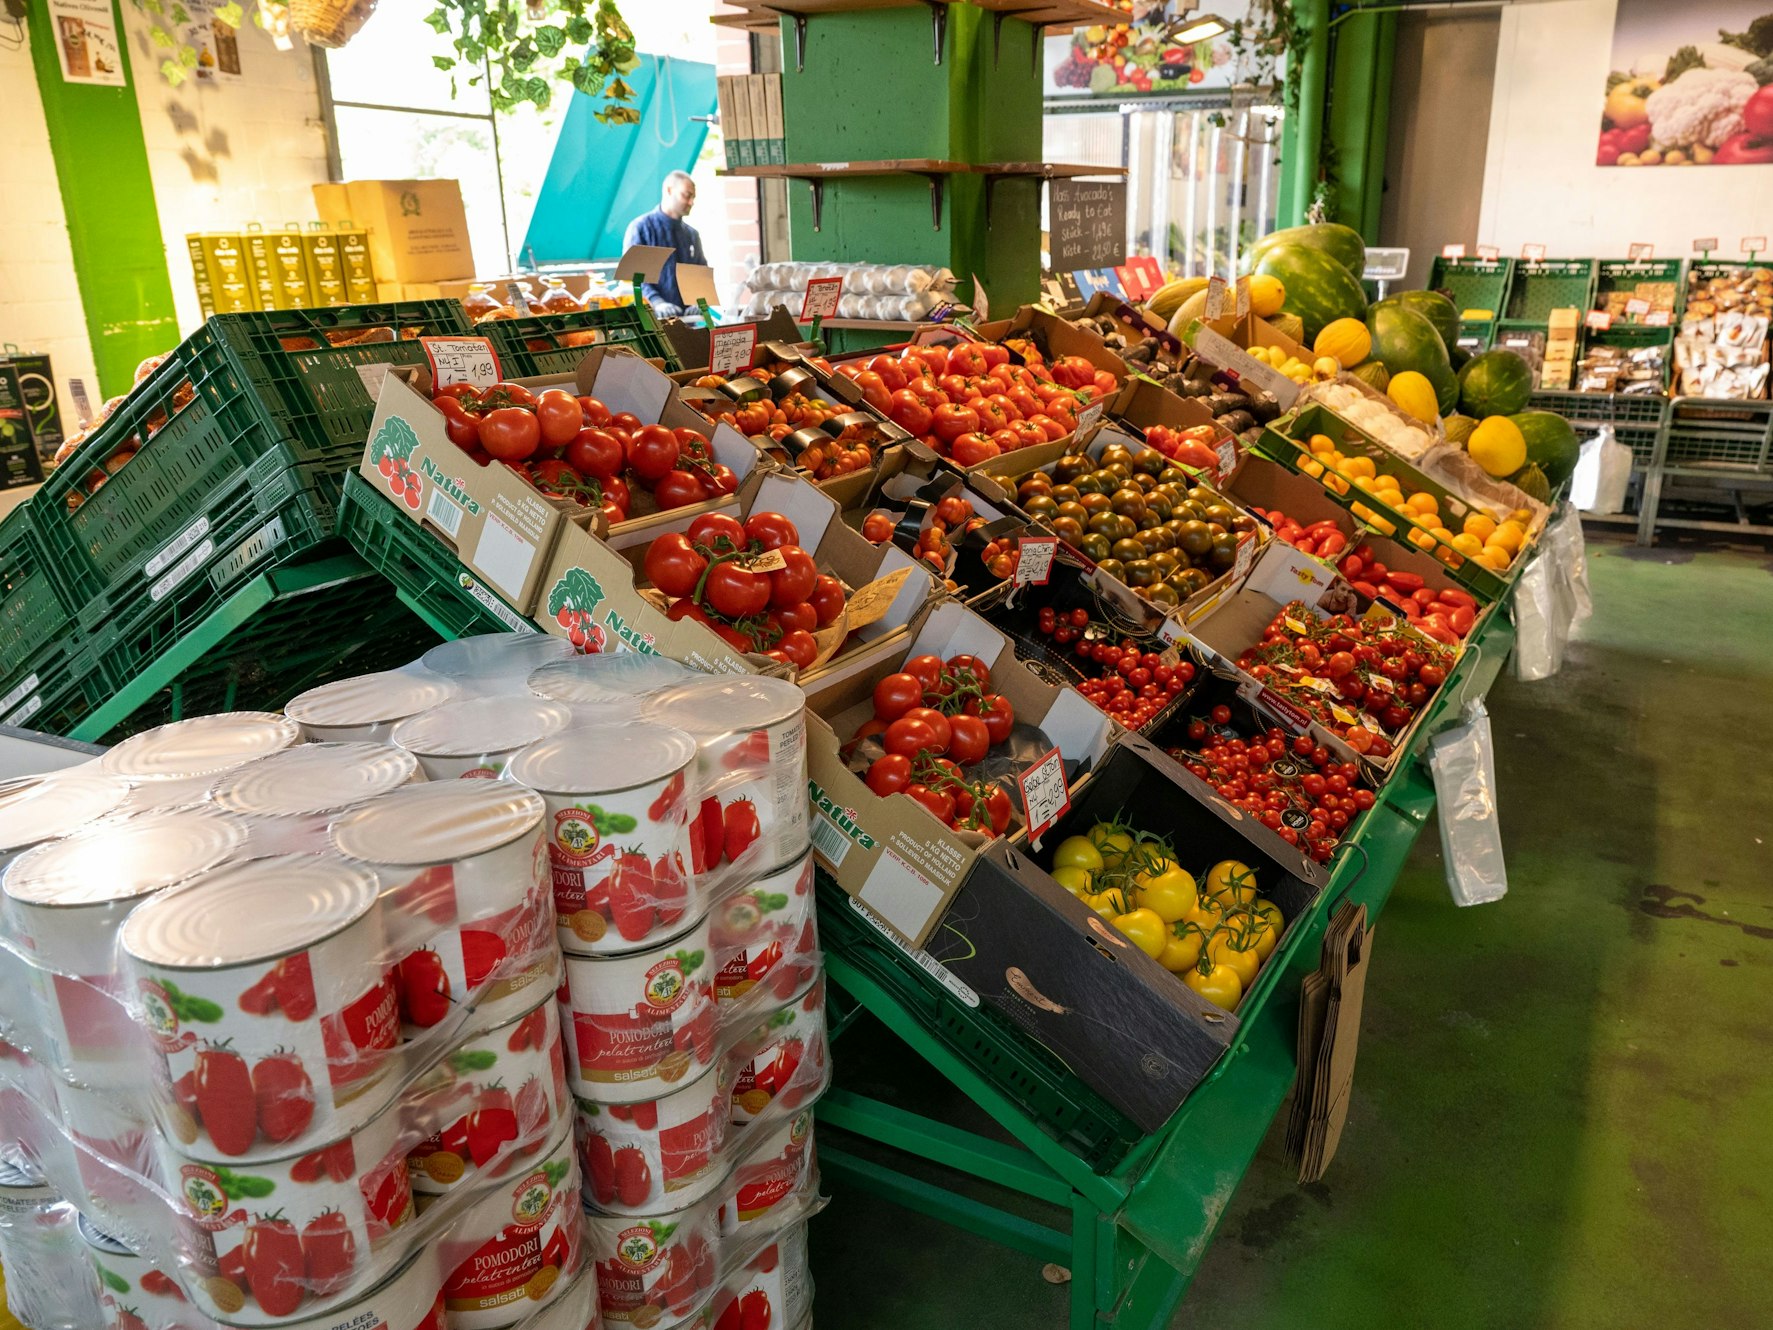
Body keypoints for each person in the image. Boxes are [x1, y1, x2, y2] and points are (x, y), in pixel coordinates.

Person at [623, 171, 708, 318]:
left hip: (688, 323)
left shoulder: (691, 235)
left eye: (693, 197)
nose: (691, 202)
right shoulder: (642, 228)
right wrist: (657, 302)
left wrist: (698, 301)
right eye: (687, 195)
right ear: (669, 190)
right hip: (651, 324)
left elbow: (701, 274)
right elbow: (635, 277)